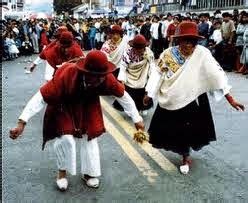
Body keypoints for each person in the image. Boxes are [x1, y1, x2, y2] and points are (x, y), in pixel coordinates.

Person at [9, 50, 145, 191]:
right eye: (96, 77)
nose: (100, 80)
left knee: (90, 137)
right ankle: (62, 173)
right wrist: (22, 122)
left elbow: (123, 96)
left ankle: (89, 174)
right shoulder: (66, 74)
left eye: (102, 76)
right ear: (86, 72)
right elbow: (41, 97)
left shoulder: (106, 78)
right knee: (66, 138)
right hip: (65, 105)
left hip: (89, 104)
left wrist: (137, 119)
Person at [143, 22, 245, 175]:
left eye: (192, 41)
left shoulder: (202, 53)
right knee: (170, 129)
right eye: (185, 40)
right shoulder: (168, 54)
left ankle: (186, 157)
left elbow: (215, 76)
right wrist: (149, 93)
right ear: (178, 41)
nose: (189, 44)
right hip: (171, 97)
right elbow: (158, 74)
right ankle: (181, 151)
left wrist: (229, 98)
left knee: (187, 130)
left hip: (191, 98)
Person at [117, 34, 155, 116]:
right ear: (133, 47)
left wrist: (150, 82)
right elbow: (123, 67)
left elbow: (152, 67)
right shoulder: (127, 53)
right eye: (137, 49)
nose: (139, 51)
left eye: (141, 48)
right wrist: (122, 81)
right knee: (130, 97)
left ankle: (143, 108)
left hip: (143, 78)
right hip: (130, 79)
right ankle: (131, 110)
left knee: (143, 97)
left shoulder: (149, 53)